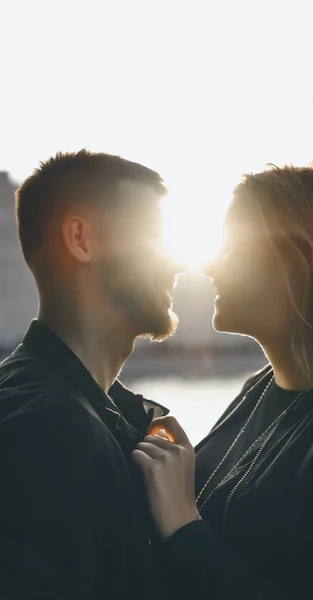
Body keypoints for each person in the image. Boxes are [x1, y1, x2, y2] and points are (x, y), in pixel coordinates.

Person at [133, 163, 313, 600]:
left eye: (232, 246)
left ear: (303, 261)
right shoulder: (258, 391)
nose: (209, 265)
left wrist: (183, 525)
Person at [0, 150, 183, 599]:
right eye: (153, 237)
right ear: (80, 238)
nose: (176, 264)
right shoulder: (42, 432)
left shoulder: (109, 416)